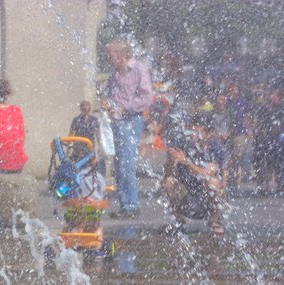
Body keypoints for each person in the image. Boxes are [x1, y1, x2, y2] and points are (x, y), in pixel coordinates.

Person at [102, 38, 154, 218]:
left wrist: (127, 107)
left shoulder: (139, 69)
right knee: (119, 163)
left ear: (122, 54)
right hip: (117, 121)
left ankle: (132, 205)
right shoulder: (115, 73)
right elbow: (109, 92)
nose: (108, 59)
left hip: (132, 120)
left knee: (126, 163)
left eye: (111, 56)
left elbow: (147, 98)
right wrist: (106, 102)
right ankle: (125, 204)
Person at [160, 110, 226, 236]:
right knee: (168, 183)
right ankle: (178, 221)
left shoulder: (214, 149)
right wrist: (170, 162)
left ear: (208, 133)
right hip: (187, 199)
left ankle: (215, 221)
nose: (192, 133)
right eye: (190, 128)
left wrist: (186, 162)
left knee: (212, 182)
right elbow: (166, 176)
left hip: (206, 201)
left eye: (196, 129)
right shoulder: (182, 146)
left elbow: (208, 173)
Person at [68, 100, 104, 174]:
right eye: (84, 109)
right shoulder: (76, 120)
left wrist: (100, 147)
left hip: (90, 148)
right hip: (78, 149)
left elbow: (98, 134)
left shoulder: (94, 120)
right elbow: (71, 135)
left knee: (91, 168)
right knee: (77, 167)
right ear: (81, 109)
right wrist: (68, 150)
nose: (86, 112)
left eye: (88, 110)